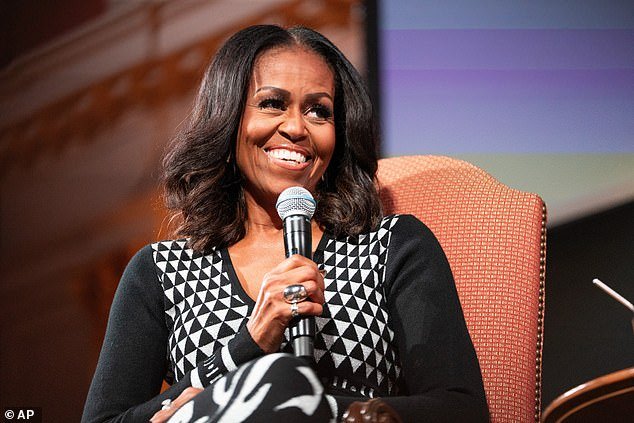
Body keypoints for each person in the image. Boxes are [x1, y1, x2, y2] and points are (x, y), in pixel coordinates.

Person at [81, 25, 489, 423]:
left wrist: (311, 407)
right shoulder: (162, 272)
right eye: (272, 103)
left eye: (319, 111)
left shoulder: (390, 246)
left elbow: (461, 410)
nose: (296, 127)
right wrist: (249, 344)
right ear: (228, 120)